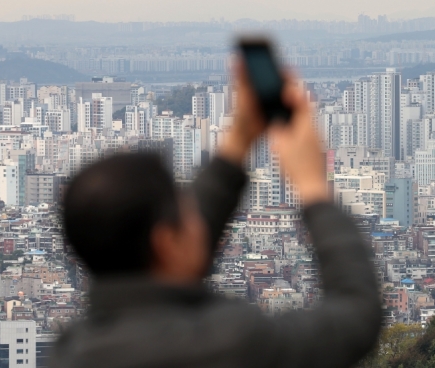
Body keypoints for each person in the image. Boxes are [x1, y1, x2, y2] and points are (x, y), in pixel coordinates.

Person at [50, 65, 381, 368]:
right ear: (166, 242)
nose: (196, 217)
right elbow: (356, 316)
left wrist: (237, 143)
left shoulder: (72, 350)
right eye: (185, 211)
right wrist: (312, 187)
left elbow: (174, 258)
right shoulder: (231, 344)